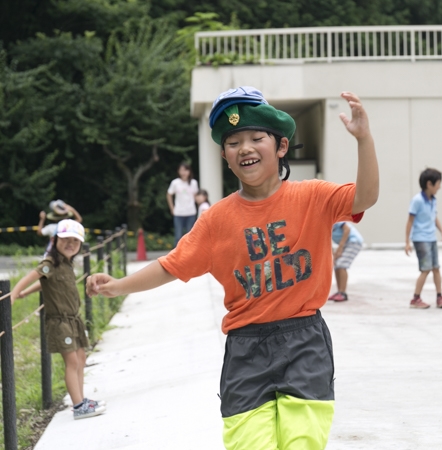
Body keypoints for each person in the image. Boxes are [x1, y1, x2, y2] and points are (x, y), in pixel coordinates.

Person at [86, 87, 378, 449]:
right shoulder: (216, 220)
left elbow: (364, 198)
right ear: (225, 156)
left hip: (305, 342)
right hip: (246, 350)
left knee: (302, 442)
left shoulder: (312, 197)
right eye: (233, 142)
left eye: (257, 138)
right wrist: (117, 286)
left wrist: (364, 140)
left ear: (281, 146)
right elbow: (170, 265)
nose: (245, 148)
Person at [11, 220, 106, 420]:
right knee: (72, 361)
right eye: (65, 239)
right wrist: (14, 295)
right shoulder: (50, 264)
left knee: (81, 358)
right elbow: (32, 277)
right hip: (60, 323)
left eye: (75, 241)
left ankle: (81, 399)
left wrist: (27, 293)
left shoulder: (66, 263)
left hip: (74, 320)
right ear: (54, 240)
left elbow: (44, 284)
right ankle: (79, 406)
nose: (70, 244)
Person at [405, 168, 442, 309]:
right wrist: (407, 242)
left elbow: (434, 217)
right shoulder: (417, 200)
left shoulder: (432, 200)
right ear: (429, 184)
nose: (440, 187)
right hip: (420, 239)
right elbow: (410, 221)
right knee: (426, 269)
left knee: (436, 268)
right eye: (438, 184)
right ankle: (415, 299)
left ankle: (439, 297)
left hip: (431, 238)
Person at [328, 221, 364, 302]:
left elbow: (347, 229)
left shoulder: (335, 220)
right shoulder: (325, 225)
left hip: (353, 242)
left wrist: (340, 247)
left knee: (341, 265)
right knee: (336, 265)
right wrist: (333, 254)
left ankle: (343, 293)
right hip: (345, 244)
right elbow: (328, 239)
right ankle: (339, 292)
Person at [167, 162, 199, 246]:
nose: (184, 172)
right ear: (178, 171)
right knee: (178, 236)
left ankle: (189, 256)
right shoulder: (175, 183)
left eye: (186, 170)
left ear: (189, 171)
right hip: (179, 212)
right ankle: (176, 257)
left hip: (191, 212)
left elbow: (196, 197)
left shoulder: (193, 183)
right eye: (182, 170)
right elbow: (169, 194)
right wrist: (172, 208)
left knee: (191, 236)